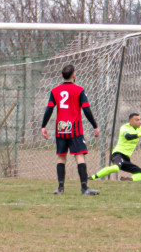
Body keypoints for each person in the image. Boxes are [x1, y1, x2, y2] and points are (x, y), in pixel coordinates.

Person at [41, 64, 100, 196]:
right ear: (73, 75)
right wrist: (95, 126)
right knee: (79, 156)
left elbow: (49, 109)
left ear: (62, 76)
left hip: (61, 128)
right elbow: (86, 109)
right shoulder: (79, 90)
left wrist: (43, 126)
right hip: (75, 128)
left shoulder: (55, 90)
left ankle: (60, 188)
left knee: (61, 157)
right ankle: (84, 188)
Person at [89, 113, 141, 182]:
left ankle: (129, 180)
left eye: (140, 120)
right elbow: (127, 136)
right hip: (118, 154)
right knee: (116, 168)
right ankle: (93, 177)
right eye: (137, 120)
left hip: (126, 159)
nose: (140, 122)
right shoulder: (125, 127)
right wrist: (140, 134)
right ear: (131, 121)